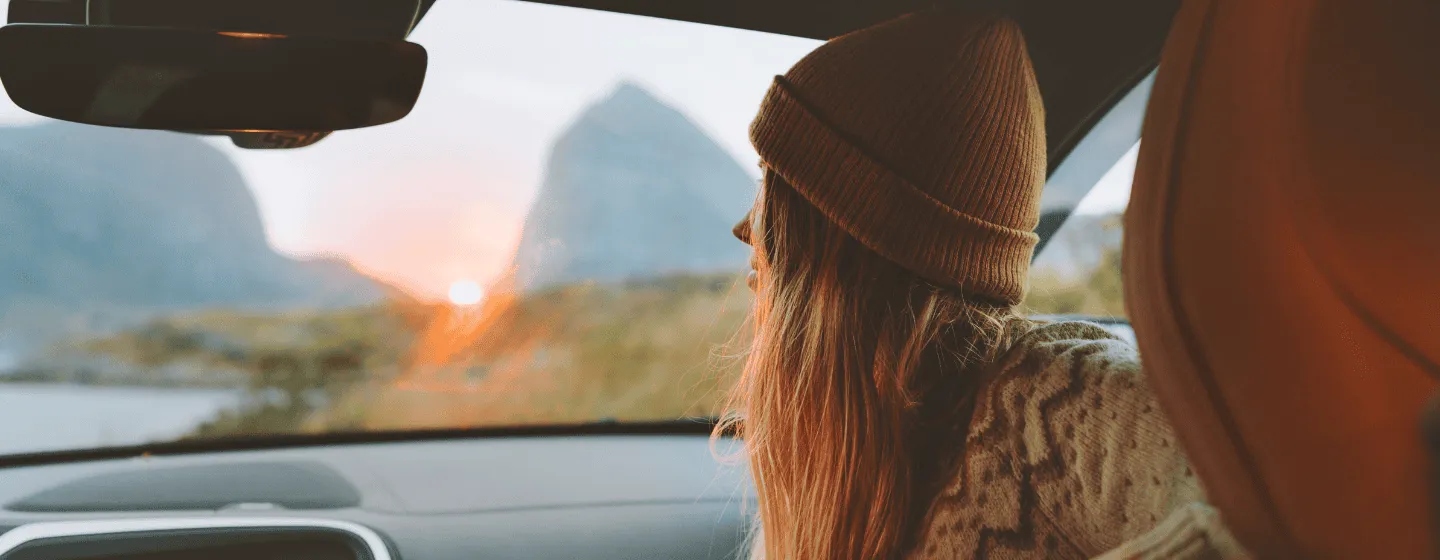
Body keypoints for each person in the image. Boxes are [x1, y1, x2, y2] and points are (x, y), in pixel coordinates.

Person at [717, 9, 1250, 560]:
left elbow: (1293, 521)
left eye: (771, 186)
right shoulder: (837, 442)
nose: (746, 229)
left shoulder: (1056, 402)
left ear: (846, 236)